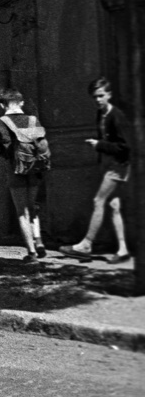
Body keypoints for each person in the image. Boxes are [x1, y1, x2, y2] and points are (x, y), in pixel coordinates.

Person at [61, 77, 131, 264]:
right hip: (109, 164)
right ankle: (123, 249)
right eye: (95, 97)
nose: (98, 100)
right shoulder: (102, 114)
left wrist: (99, 145)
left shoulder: (117, 116)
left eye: (101, 96)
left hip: (118, 165)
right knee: (114, 206)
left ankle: (86, 244)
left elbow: (126, 146)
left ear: (109, 95)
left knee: (98, 200)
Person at [0, 87, 50, 262]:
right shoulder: (33, 120)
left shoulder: (0, 122)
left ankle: (31, 252)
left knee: (21, 211)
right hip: (35, 168)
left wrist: (8, 151)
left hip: (15, 169)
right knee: (33, 207)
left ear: (3, 104)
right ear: (21, 103)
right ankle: (39, 242)